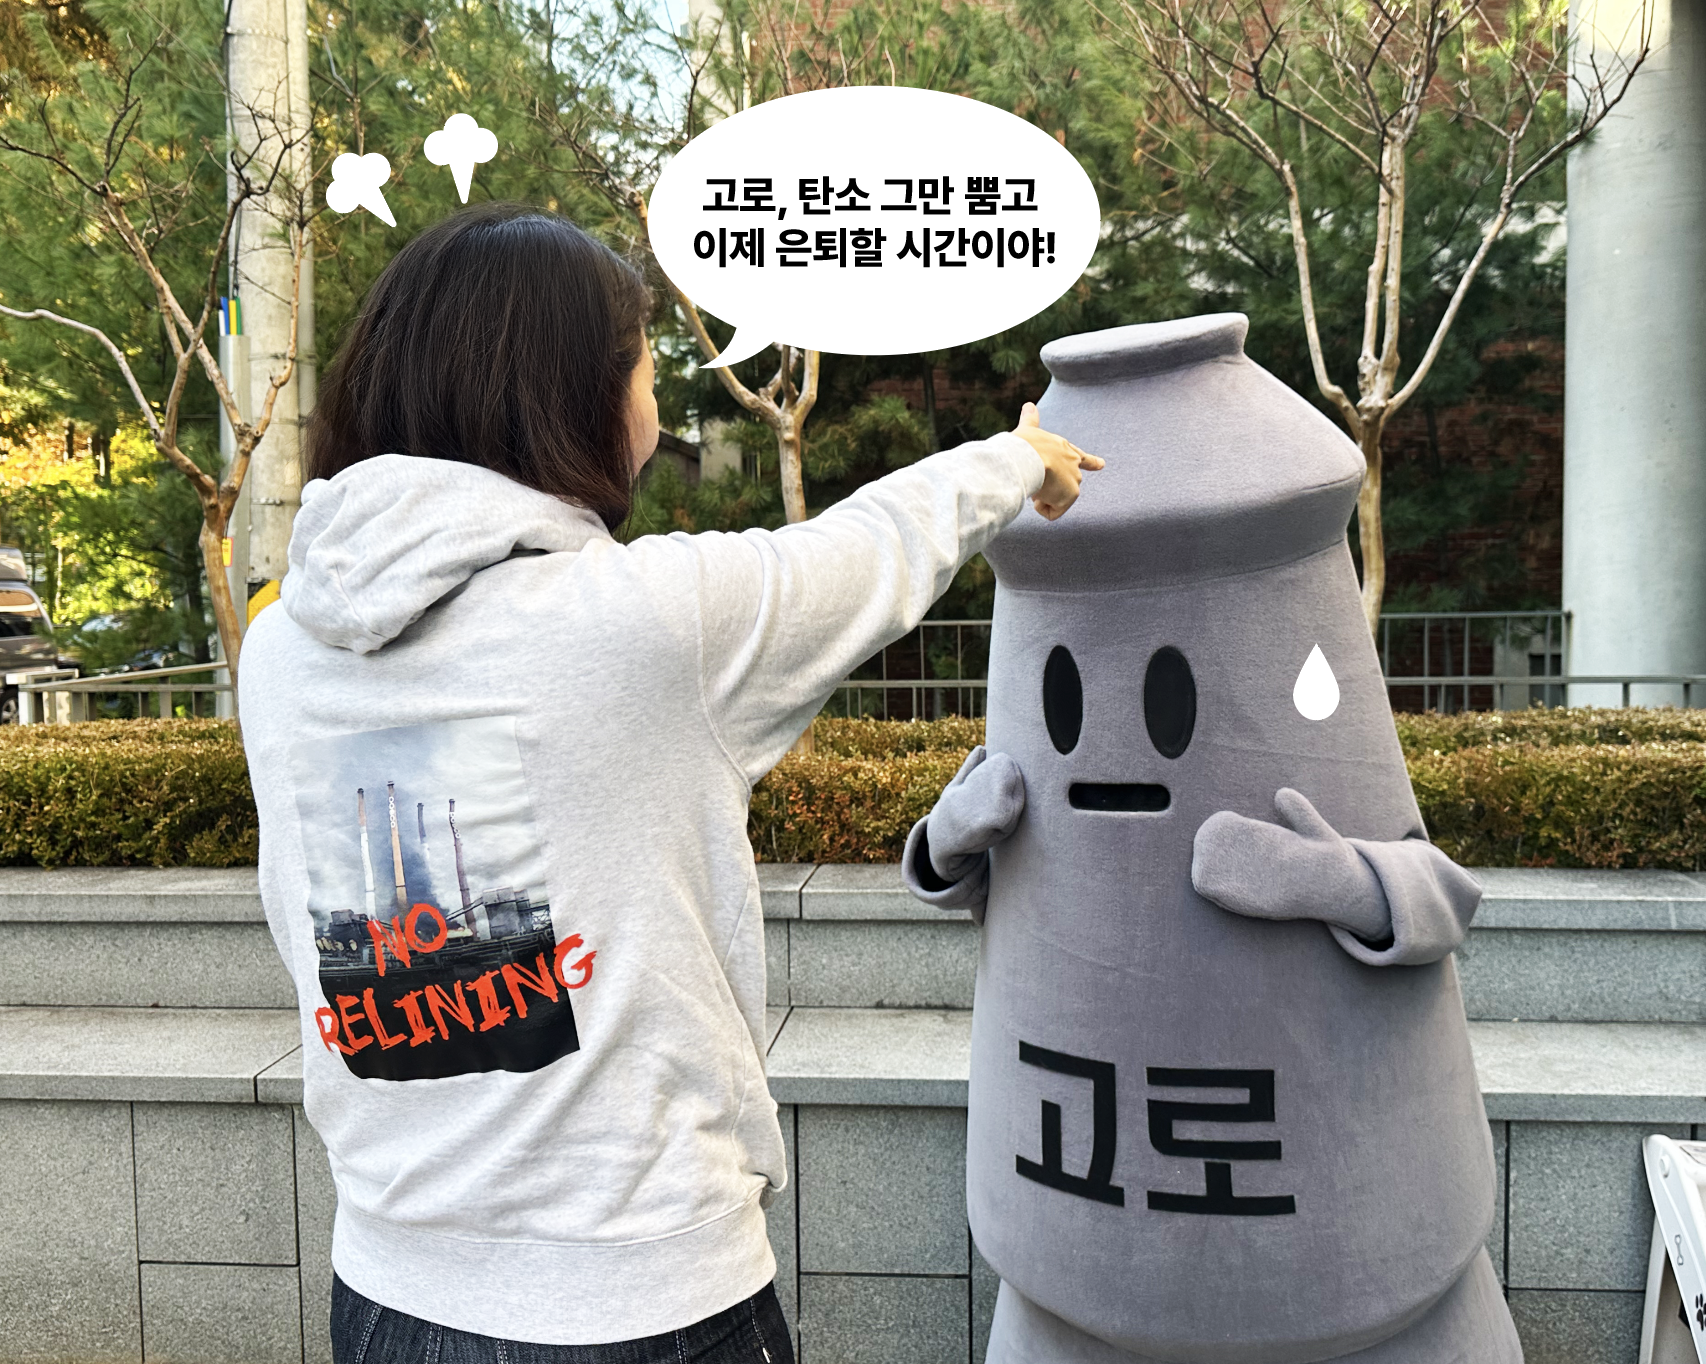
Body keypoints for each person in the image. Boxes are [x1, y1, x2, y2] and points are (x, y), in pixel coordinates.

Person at [238, 200, 1102, 1364]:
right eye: (646, 366)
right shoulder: (642, 625)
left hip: (390, 1291)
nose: (653, 399)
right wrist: (1018, 459)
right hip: (641, 1293)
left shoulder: (283, 651)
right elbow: (870, 550)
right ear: (580, 393)